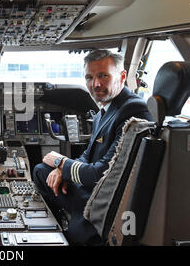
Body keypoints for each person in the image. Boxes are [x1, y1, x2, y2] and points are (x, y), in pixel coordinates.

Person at [33, 49, 153, 245]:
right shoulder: (104, 111)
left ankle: (74, 228)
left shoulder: (133, 109)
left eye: (103, 76)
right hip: (91, 186)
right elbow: (87, 156)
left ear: (122, 76)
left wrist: (59, 161)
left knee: (75, 234)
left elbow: (101, 174)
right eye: (89, 77)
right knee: (41, 170)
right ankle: (59, 223)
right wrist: (61, 169)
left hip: (104, 197)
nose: (95, 84)